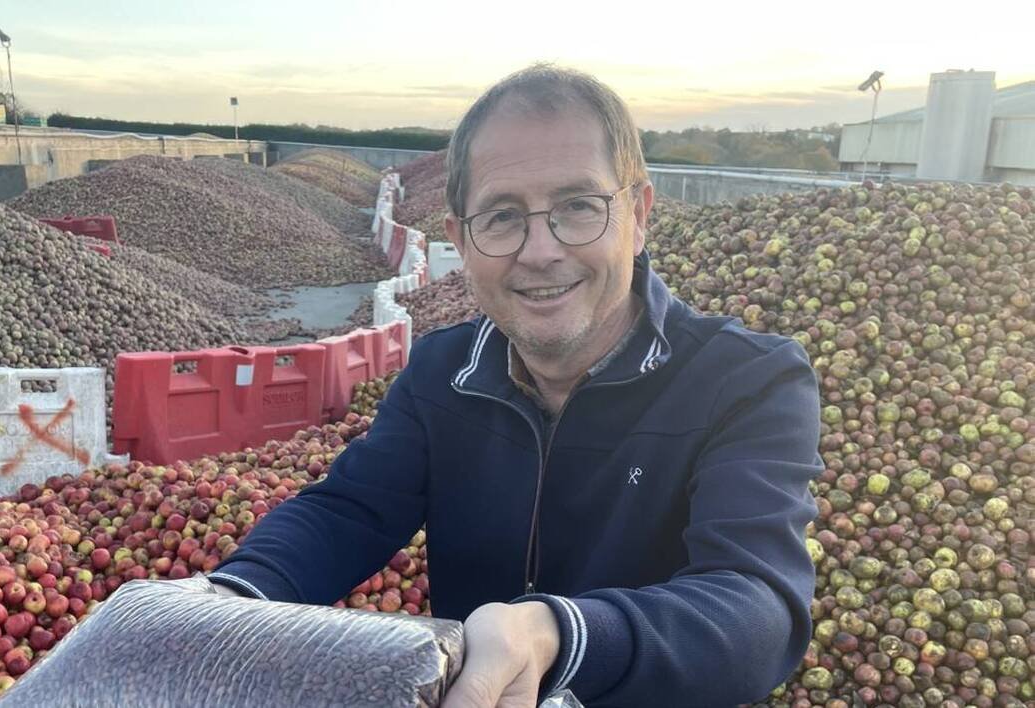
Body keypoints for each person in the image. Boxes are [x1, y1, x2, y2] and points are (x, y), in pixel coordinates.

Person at [209, 64, 823, 708]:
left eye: (578, 207)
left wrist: (557, 635)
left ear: (638, 215)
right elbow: (348, 510)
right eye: (502, 217)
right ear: (460, 240)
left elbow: (757, 610)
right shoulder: (443, 372)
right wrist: (230, 599)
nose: (539, 250)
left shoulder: (748, 379)